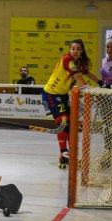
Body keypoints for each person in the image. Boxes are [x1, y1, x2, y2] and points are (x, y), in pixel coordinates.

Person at [42, 39, 103, 169]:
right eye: (73, 48)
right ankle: (64, 154)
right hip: (51, 94)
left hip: (63, 95)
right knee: (63, 123)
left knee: (70, 126)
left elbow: (86, 73)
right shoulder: (67, 60)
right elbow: (78, 77)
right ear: (70, 50)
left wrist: (100, 82)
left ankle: (71, 155)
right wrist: (87, 89)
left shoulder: (79, 62)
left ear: (82, 51)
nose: (75, 51)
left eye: (78, 49)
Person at [98, 37, 112, 168]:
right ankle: (108, 150)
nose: (109, 49)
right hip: (105, 98)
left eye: (111, 47)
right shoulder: (103, 61)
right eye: (107, 46)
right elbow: (103, 79)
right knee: (106, 126)